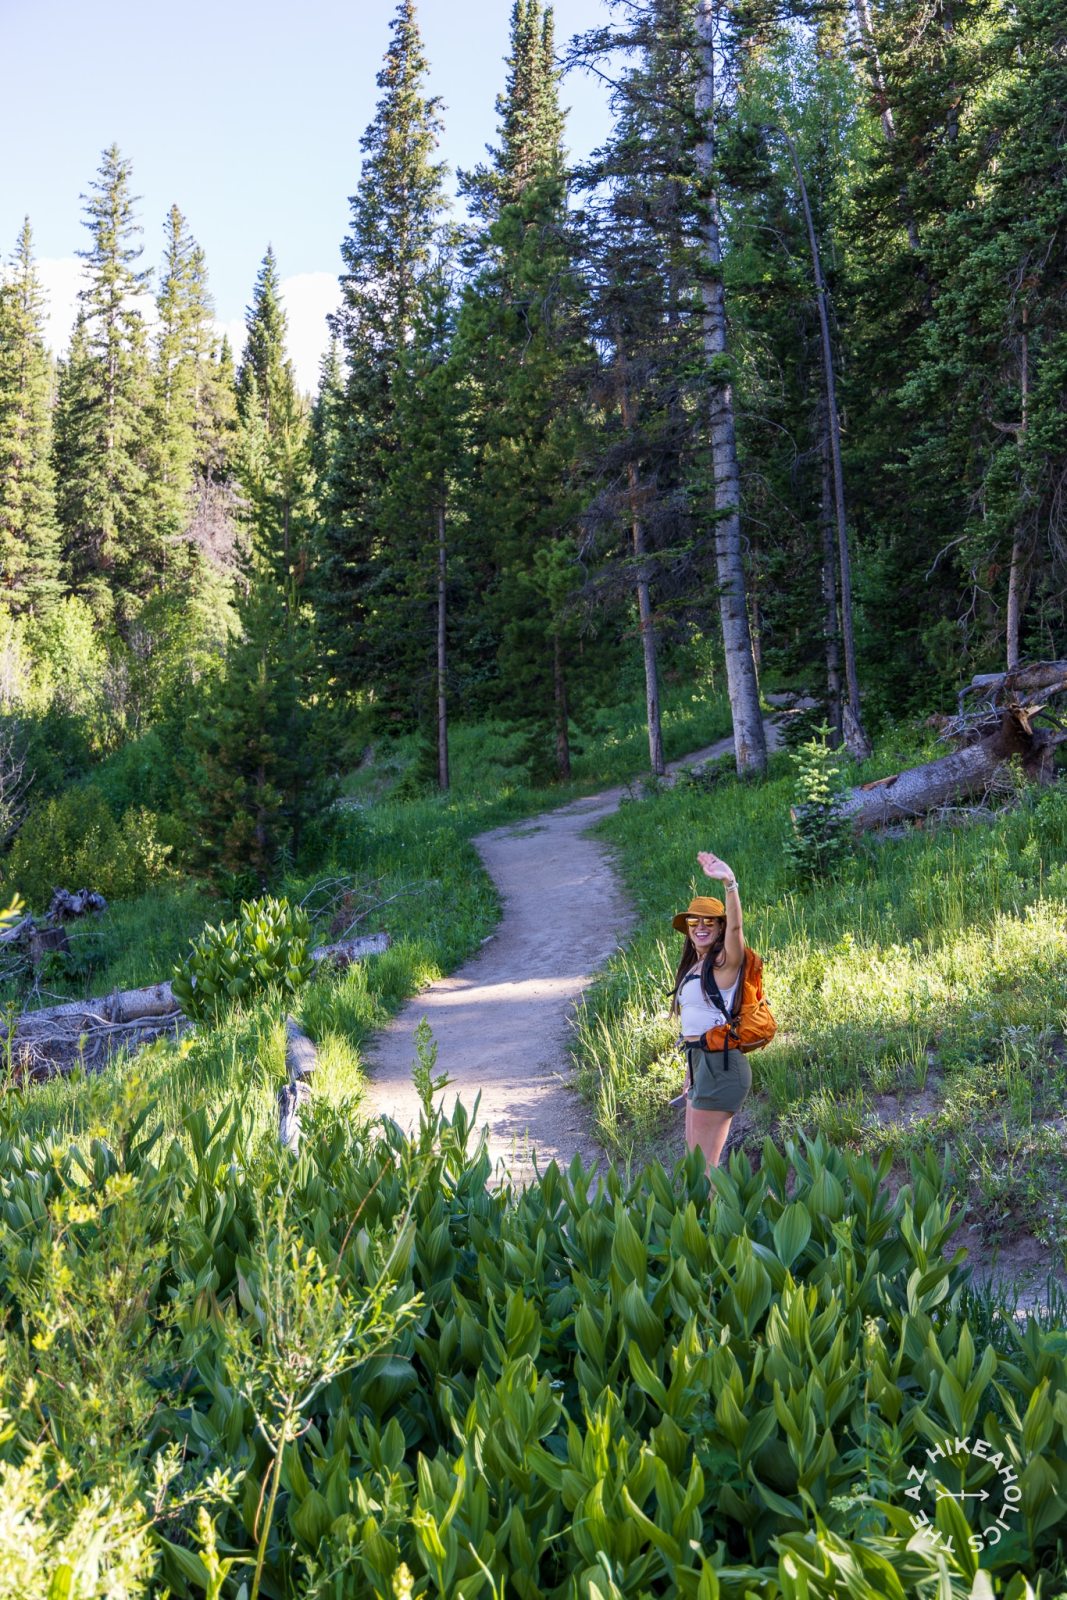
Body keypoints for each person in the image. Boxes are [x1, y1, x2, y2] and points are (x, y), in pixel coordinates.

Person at [669, 850, 751, 1167]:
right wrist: (689, 1076)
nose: (700, 926)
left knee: (704, 1169)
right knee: (694, 1166)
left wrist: (730, 884)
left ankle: (724, 1217)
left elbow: (736, 932)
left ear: (719, 928)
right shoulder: (695, 967)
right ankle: (708, 1217)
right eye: (694, 921)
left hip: (721, 1066)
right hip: (701, 1065)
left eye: (709, 922)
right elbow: (693, 1031)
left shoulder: (724, 963)